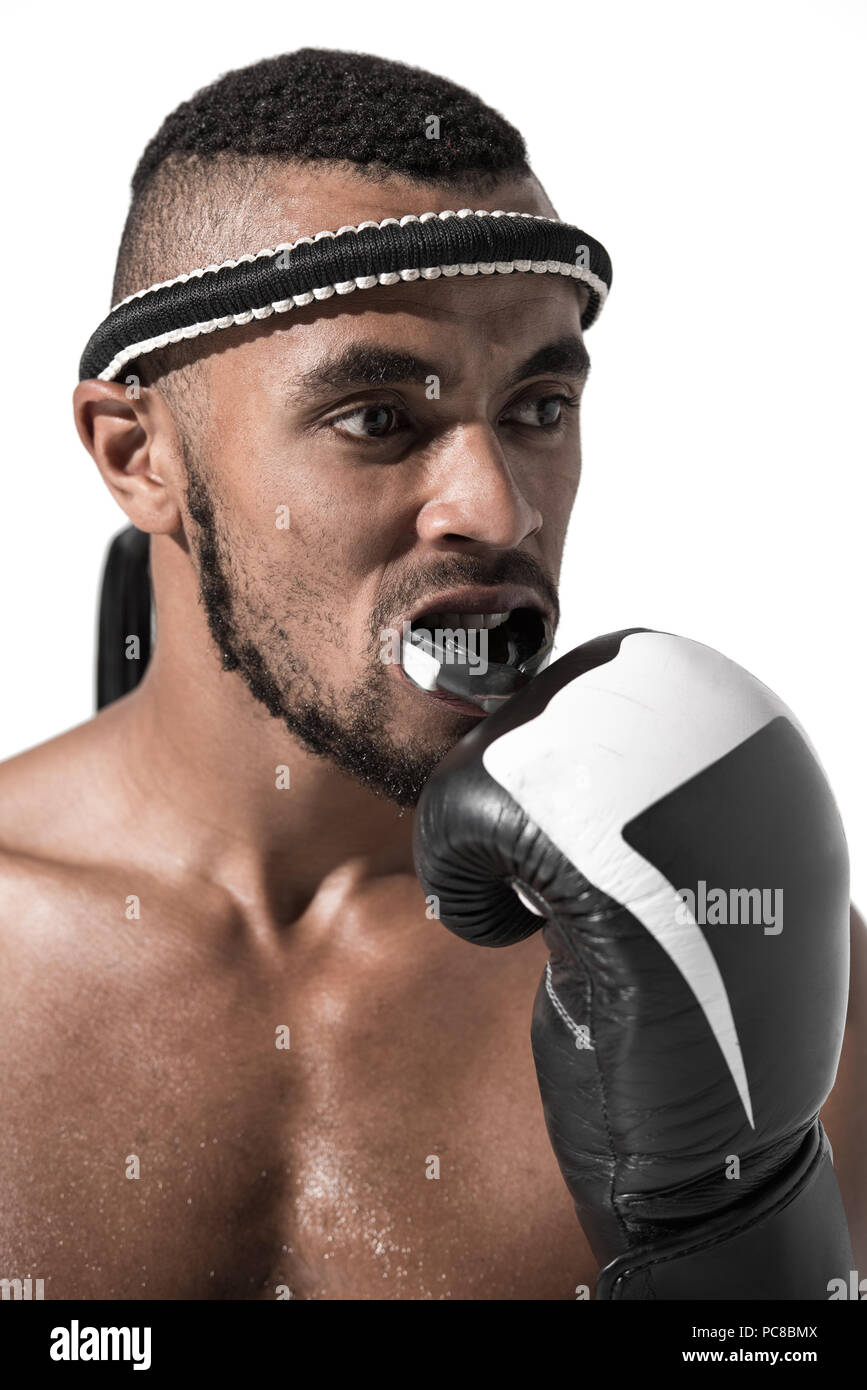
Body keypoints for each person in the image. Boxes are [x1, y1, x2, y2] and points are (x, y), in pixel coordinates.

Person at [0, 47, 862, 1300]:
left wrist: (740, 1263)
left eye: (539, 408)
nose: (497, 508)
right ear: (139, 455)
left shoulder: (730, 968)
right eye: (378, 419)